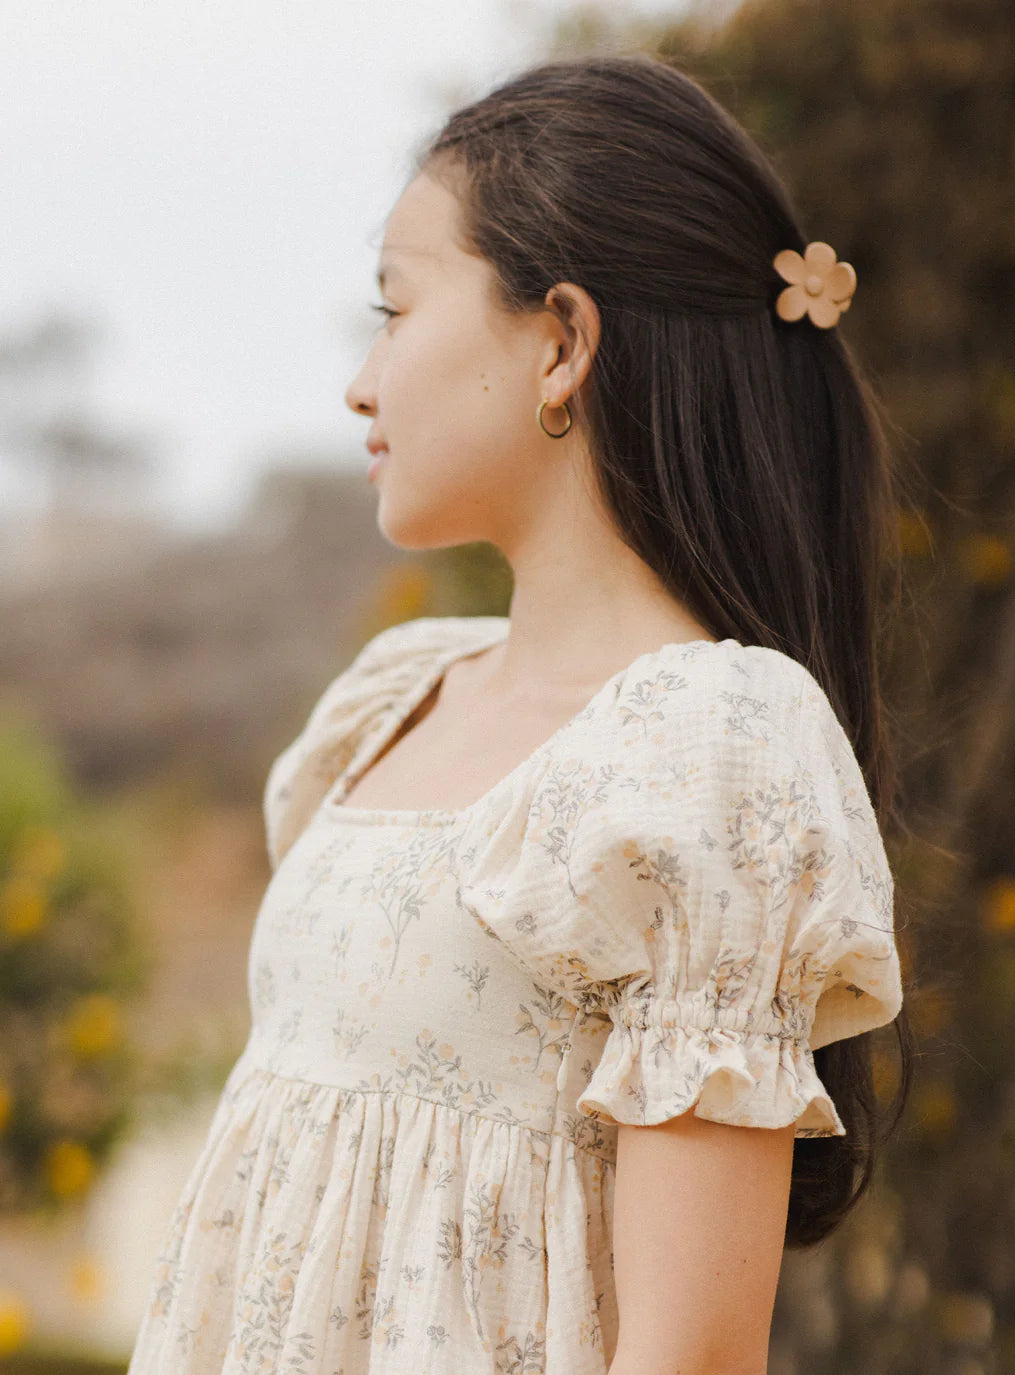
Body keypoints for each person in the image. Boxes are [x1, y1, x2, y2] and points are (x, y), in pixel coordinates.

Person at [127, 51, 913, 1375]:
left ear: (560, 341)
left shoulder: (706, 753)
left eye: (393, 308)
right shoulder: (399, 695)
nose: (360, 383)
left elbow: (690, 1358)